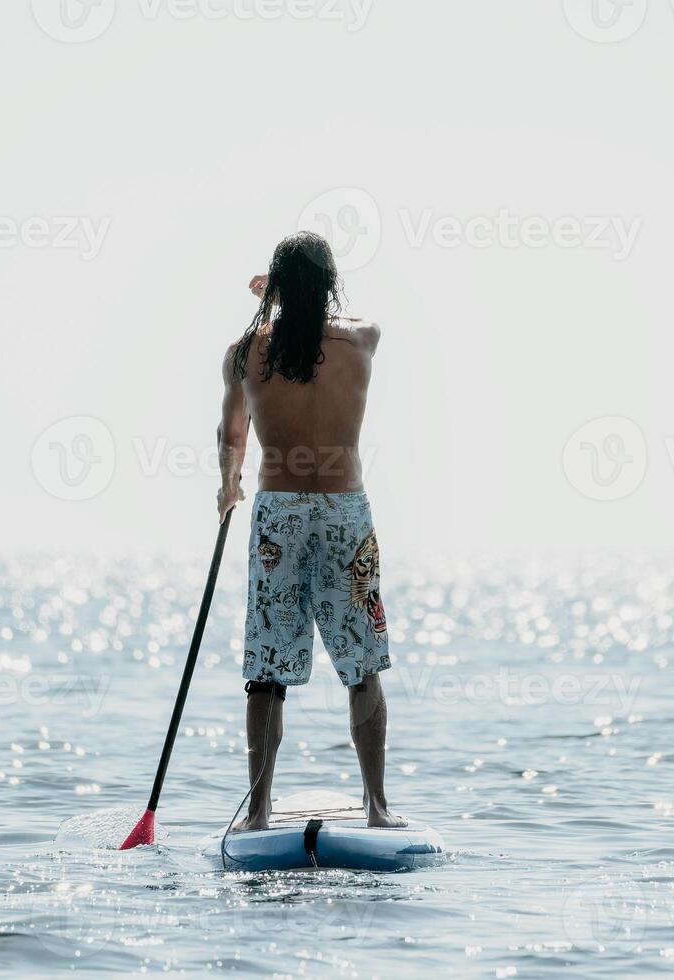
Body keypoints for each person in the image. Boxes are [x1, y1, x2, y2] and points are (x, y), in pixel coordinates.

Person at [216, 231, 406, 831]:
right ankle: (376, 808)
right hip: (345, 513)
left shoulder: (246, 354)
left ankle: (259, 813)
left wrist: (228, 487)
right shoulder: (360, 341)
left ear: (273, 286)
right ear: (329, 285)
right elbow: (364, 321)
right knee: (362, 664)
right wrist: (294, 297)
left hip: (280, 516)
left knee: (266, 671)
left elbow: (232, 438)